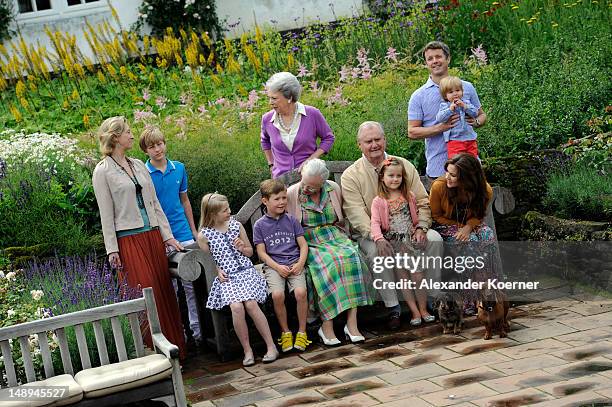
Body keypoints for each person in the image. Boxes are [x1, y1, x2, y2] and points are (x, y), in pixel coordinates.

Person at [92, 116, 185, 359]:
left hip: (153, 237)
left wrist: (167, 236)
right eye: (128, 132)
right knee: (145, 295)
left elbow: (154, 204)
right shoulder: (102, 171)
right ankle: (153, 357)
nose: (133, 135)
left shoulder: (138, 165)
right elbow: (106, 214)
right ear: (115, 138)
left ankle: (176, 353)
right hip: (129, 241)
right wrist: (112, 249)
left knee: (165, 292)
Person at [341, 121, 443, 330]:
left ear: (385, 140)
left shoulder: (402, 165)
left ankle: (432, 299)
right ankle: (393, 307)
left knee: (434, 240)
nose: (374, 145)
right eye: (368, 141)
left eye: (378, 139)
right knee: (376, 252)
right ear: (359, 144)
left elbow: (423, 201)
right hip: (374, 232)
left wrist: (421, 228)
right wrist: (378, 237)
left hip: (408, 228)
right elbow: (356, 214)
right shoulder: (351, 175)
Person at [286, 159, 372, 345]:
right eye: (306, 184)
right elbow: (287, 227)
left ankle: (352, 323)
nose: (307, 189)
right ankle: (327, 326)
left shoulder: (333, 188)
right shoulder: (293, 193)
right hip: (309, 240)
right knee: (330, 264)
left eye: (313, 187)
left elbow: (343, 216)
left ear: (323, 183)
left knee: (352, 258)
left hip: (334, 235)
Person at [198, 193, 278, 366]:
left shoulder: (236, 226)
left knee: (250, 303)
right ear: (212, 214)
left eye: (228, 208)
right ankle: (247, 350)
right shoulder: (204, 236)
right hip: (228, 278)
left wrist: (242, 248)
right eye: (224, 210)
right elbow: (210, 262)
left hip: (246, 272)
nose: (229, 212)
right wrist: (217, 270)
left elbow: (251, 252)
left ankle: (271, 346)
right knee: (236, 307)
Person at [140, 126, 201, 346]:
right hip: (161, 236)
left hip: (183, 232)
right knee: (169, 289)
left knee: (191, 283)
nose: (158, 149)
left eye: (160, 144)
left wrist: (194, 231)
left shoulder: (179, 168)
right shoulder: (143, 174)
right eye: (152, 146)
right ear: (145, 151)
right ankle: (178, 335)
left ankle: (197, 331)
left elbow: (184, 200)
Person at [408, 41, 487, 182]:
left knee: (476, 203)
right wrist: (441, 128)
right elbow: (412, 132)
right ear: (426, 63)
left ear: (448, 58)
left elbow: (482, 115)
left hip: (470, 166)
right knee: (444, 204)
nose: (435, 61)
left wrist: (476, 122)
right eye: (430, 59)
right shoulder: (418, 96)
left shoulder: (466, 87)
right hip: (439, 168)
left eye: (438, 57)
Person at [370, 157, 435, 326]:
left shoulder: (409, 196)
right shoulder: (378, 201)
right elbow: (375, 223)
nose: (395, 179)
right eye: (391, 175)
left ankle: (423, 309)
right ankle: (414, 312)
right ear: (382, 177)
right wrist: (379, 238)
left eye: (398, 176)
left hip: (410, 242)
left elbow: (416, 216)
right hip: (395, 244)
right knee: (404, 279)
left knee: (418, 276)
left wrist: (420, 229)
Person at [429, 153, 497, 314]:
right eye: (447, 172)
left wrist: (467, 227)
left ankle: (489, 292)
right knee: (470, 243)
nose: (447, 177)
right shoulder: (439, 187)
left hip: (470, 225)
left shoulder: (485, 190)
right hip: (444, 226)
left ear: (467, 178)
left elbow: (479, 215)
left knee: (487, 235)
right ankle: (469, 299)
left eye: (453, 175)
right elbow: (436, 216)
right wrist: (461, 227)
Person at [253, 179, 311, 353]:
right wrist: (277, 267)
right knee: (277, 295)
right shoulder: (260, 225)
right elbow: (261, 253)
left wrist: (300, 263)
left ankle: (302, 332)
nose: (282, 202)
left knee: (301, 292)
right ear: (265, 201)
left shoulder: (291, 221)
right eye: (277, 199)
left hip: (294, 264)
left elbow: (303, 245)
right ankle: (285, 332)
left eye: (284, 198)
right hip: (274, 267)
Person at [261, 72, 335, 178]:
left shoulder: (312, 114)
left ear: (289, 97)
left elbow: (328, 138)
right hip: (281, 182)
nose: (270, 102)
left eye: (274, 98)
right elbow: (265, 141)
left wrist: (311, 160)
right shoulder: (267, 119)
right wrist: (271, 164)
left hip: (309, 178)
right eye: (269, 98)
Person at [435, 76, 480, 158]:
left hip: (470, 138)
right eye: (451, 92)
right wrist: (450, 110)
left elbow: (475, 113)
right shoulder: (445, 106)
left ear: (462, 92)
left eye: (457, 90)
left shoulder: (465, 102)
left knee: (472, 161)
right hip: (454, 140)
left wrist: (465, 107)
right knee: (456, 163)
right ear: (445, 96)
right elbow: (439, 118)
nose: (455, 93)